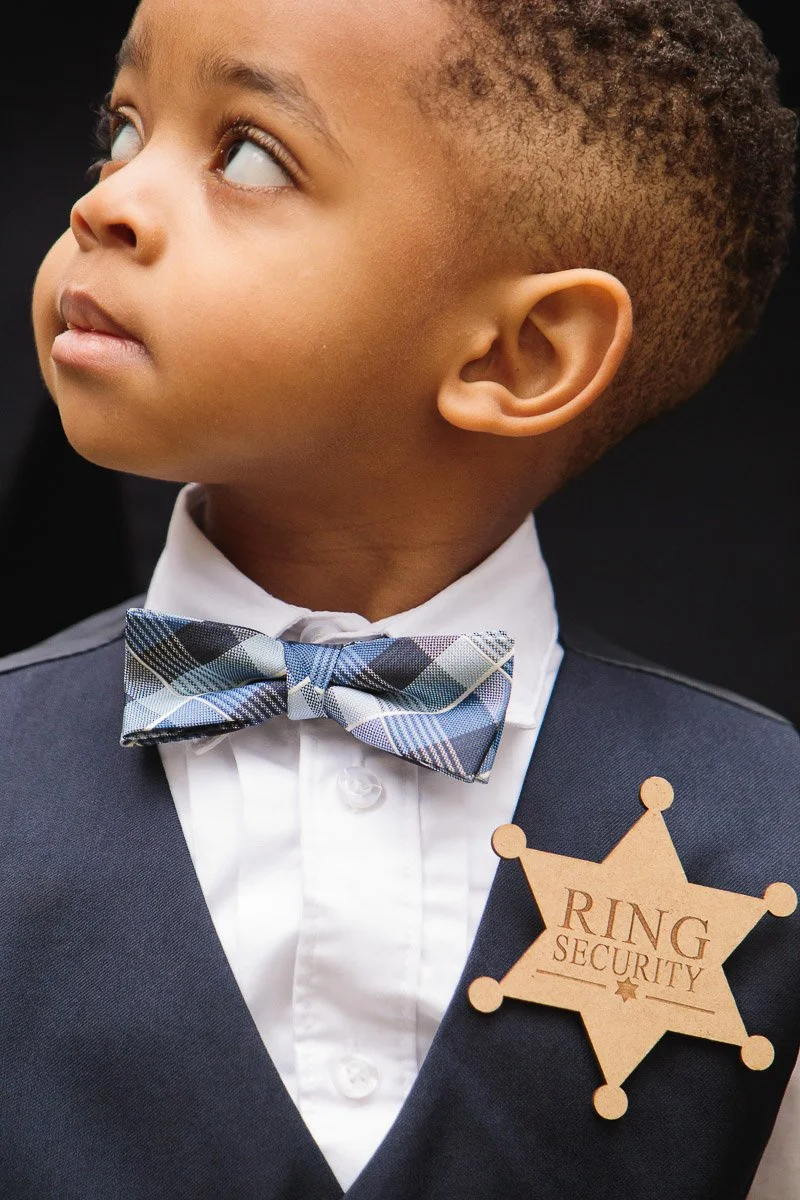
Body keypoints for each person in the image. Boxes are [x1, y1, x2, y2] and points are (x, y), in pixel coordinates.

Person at [0, 0, 796, 1195]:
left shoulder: (768, 828)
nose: (105, 202)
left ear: (519, 355)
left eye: (248, 156)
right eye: (121, 130)